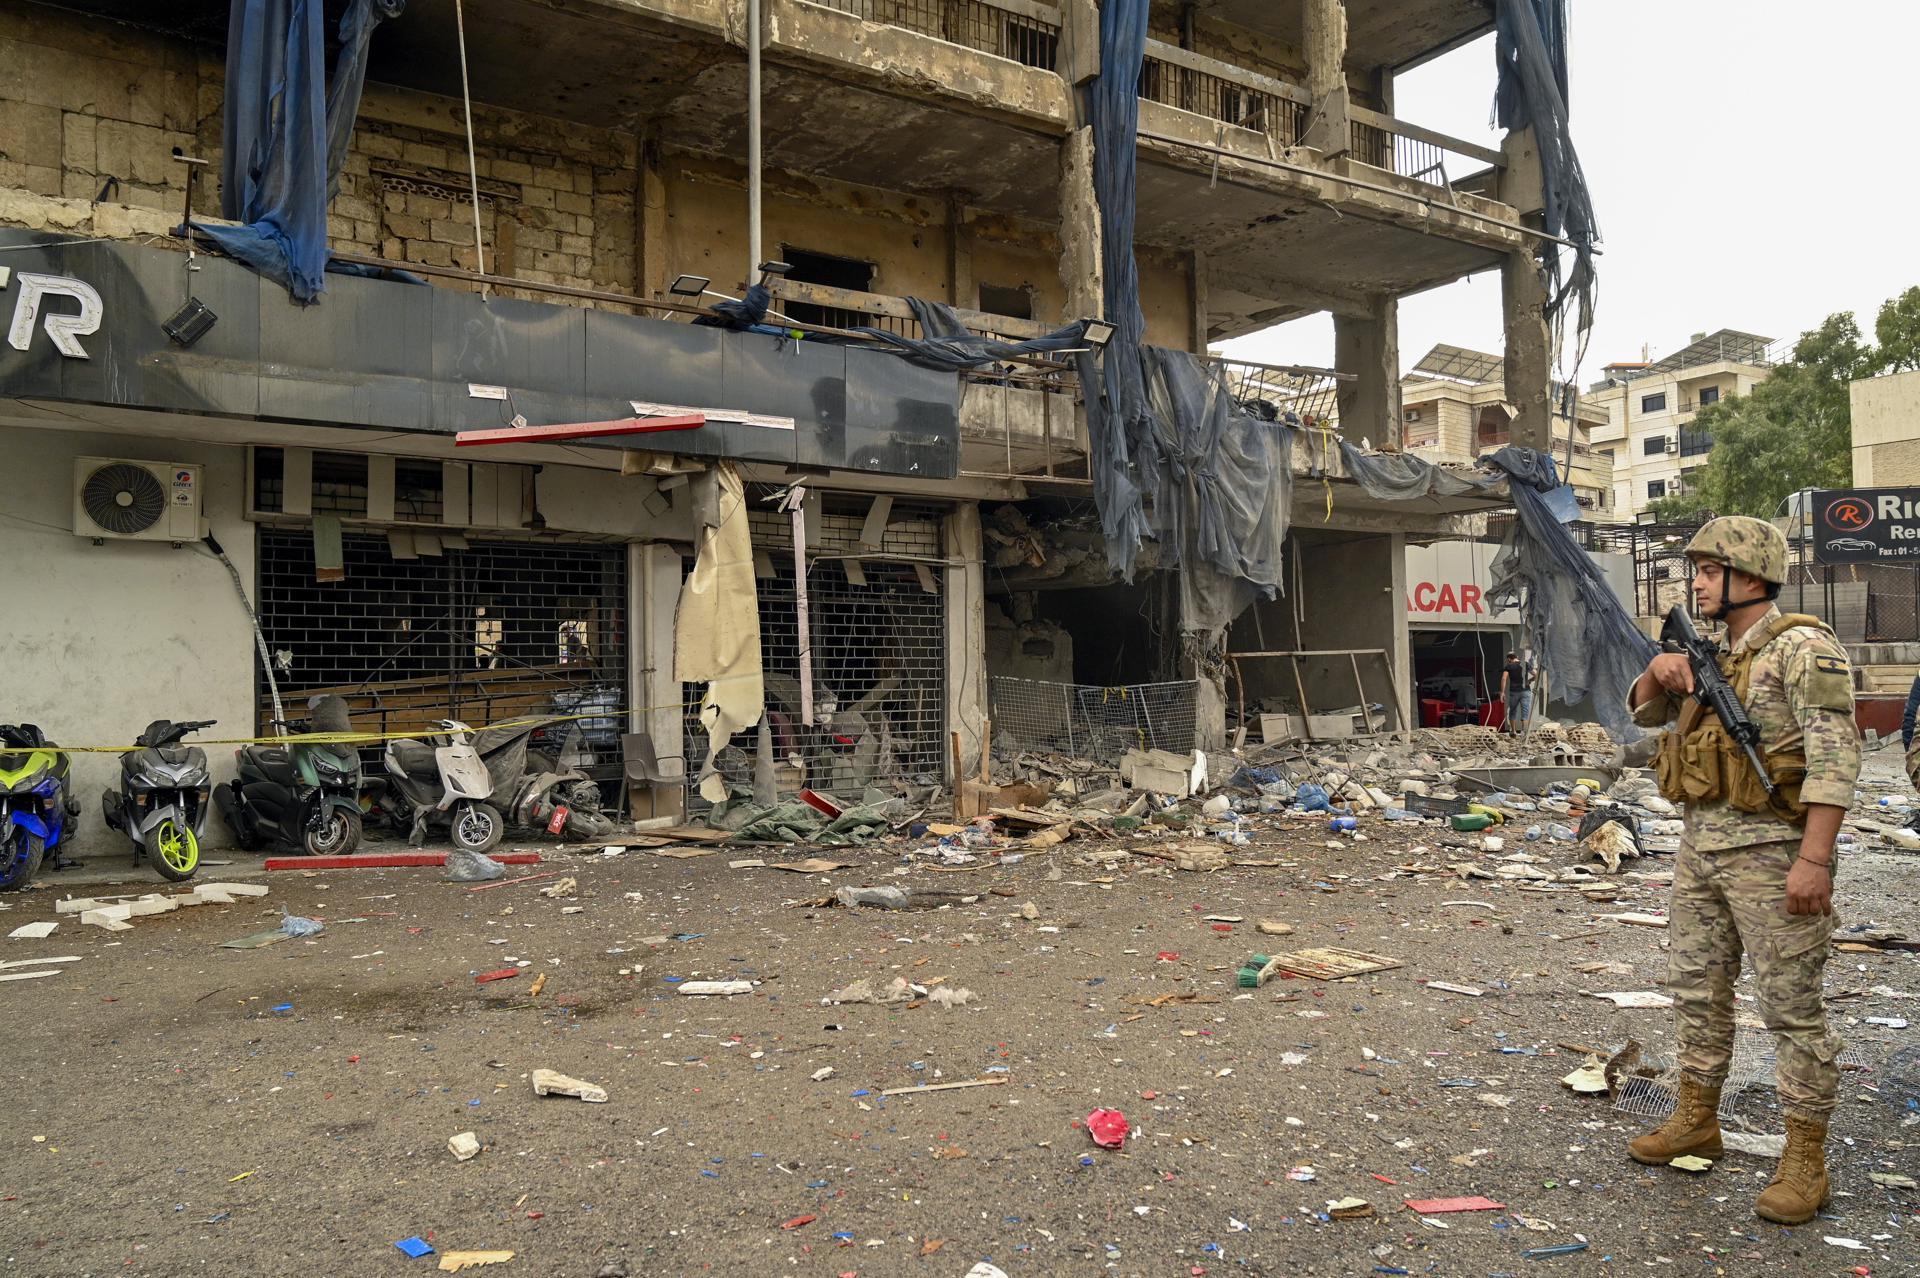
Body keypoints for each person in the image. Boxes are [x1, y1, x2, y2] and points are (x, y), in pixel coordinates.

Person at [1623, 515, 1858, 1225]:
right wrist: (1657, 669)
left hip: (1775, 853)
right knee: (1696, 990)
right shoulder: (1708, 655)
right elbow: (1642, 715)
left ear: (1750, 578)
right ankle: (1696, 1118)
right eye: (1695, 571)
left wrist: (1814, 859)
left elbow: (1836, 761)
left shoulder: (1804, 650)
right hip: (1704, 849)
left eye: (1708, 570)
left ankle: (1804, 1160)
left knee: (1791, 1010)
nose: (1695, 582)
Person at [1499, 650, 1532, 735]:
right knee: (1525, 711)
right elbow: (1535, 674)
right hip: (1526, 691)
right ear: (1516, 657)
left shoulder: (1508, 666)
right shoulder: (1525, 664)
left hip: (1514, 692)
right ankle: (1524, 732)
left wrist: (1502, 692)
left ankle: (1513, 731)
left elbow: (1504, 678)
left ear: (1509, 659)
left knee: (1513, 710)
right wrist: (1529, 681)